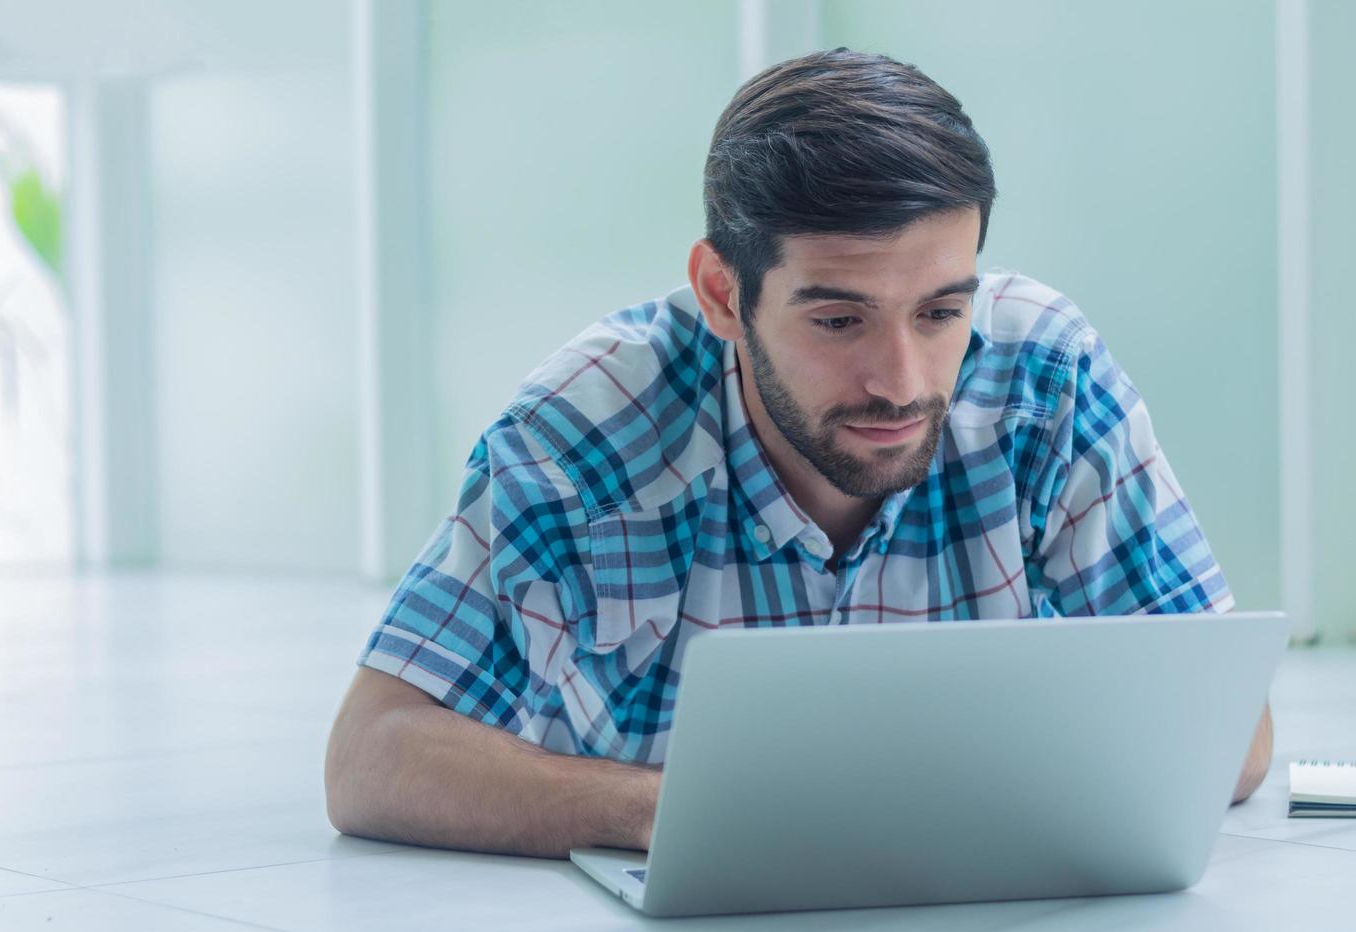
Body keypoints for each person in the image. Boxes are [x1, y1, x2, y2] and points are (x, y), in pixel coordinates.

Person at [324, 48, 1273, 859]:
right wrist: (684, 813)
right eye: (837, 318)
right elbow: (374, 757)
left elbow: (1233, 734)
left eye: (941, 311)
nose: (900, 380)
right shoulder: (583, 434)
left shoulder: (1042, 374)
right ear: (722, 294)